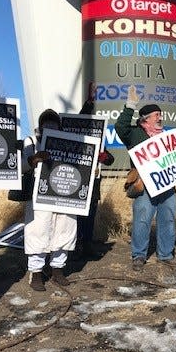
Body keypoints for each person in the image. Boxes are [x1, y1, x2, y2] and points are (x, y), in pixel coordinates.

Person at [115, 85, 176, 269]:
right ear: (145, 119)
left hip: (167, 184)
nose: (160, 117)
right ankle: (139, 255)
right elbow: (120, 126)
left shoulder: (166, 136)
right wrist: (130, 105)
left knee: (169, 218)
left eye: (160, 114)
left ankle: (165, 254)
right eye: (156, 115)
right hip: (145, 185)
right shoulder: (135, 134)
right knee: (142, 219)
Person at [22, 109, 77, 291]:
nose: (50, 126)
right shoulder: (30, 141)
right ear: (41, 124)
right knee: (39, 231)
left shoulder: (68, 143)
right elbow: (20, 165)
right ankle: (36, 273)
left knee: (64, 230)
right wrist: (34, 159)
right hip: (40, 195)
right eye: (47, 123)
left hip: (64, 193)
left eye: (54, 123)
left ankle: (58, 269)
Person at [76, 82, 115, 258]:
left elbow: (110, 159)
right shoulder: (77, 140)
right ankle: (76, 244)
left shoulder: (99, 144)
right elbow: (80, 120)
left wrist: (103, 157)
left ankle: (87, 244)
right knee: (77, 215)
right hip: (77, 181)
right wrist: (90, 102)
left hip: (94, 183)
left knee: (90, 215)